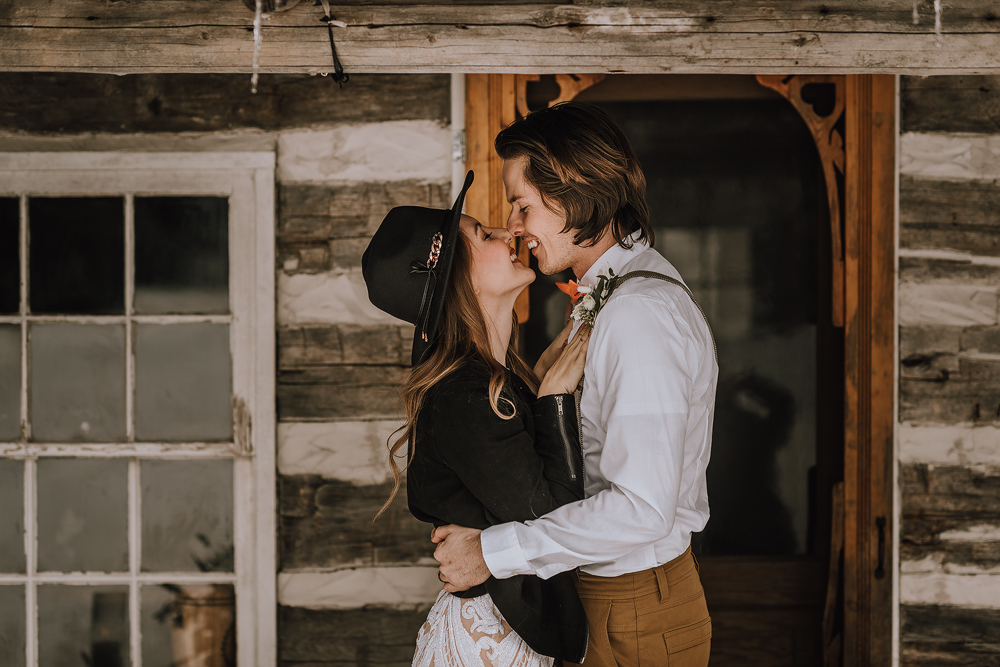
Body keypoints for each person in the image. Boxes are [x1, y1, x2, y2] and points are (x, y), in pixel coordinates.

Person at [431, 102, 718, 667]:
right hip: (610, 598)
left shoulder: (638, 312)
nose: (514, 227)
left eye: (522, 206)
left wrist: (491, 553)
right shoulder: (615, 295)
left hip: (636, 602)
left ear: (573, 191)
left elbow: (641, 508)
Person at [361, 171, 591, 666]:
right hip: (488, 642)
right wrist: (554, 397)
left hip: (506, 628)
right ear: (457, 280)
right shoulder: (464, 394)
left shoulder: (497, 378)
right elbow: (555, 520)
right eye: (484, 235)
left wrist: (544, 382)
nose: (509, 233)